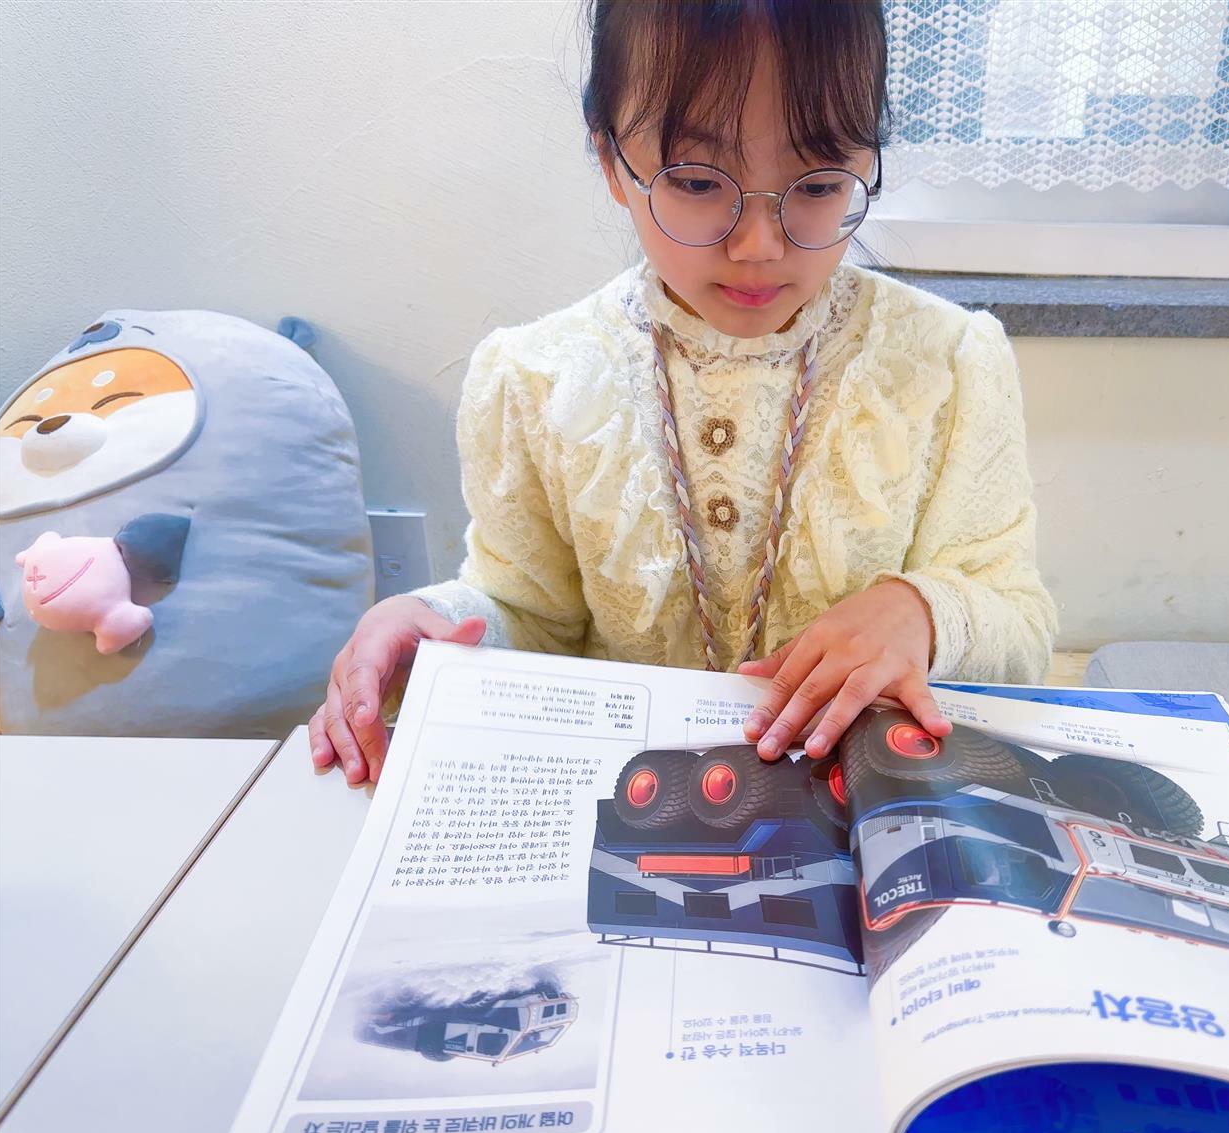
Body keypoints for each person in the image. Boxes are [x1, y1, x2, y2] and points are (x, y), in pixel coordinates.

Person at [311, 0, 1058, 785]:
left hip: (861, 807)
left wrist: (921, 613)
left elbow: (1018, 622)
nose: (759, 245)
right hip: (626, 801)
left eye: (818, 183)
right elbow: (528, 615)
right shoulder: (534, 378)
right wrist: (431, 627)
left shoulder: (948, 360)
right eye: (698, 181)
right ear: (611, 160)